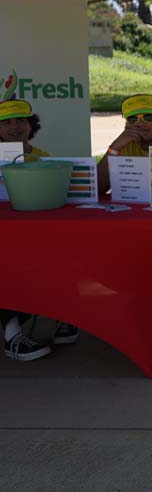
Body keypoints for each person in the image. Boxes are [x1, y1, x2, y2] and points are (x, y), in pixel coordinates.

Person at [0, 99, 78, 360]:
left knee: (66, 249)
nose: (14, 128)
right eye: (6, 123)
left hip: (35, 236)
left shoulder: (42, 158)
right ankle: (11, 335)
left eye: (20, 121)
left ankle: (63, 316)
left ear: (30, 124)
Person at [97, 93, 152, 196]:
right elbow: (98, 188)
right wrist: (114, 148)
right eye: (132, 119)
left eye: (148, 117)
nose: (140, 123)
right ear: (126, 125)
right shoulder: (124, 145)